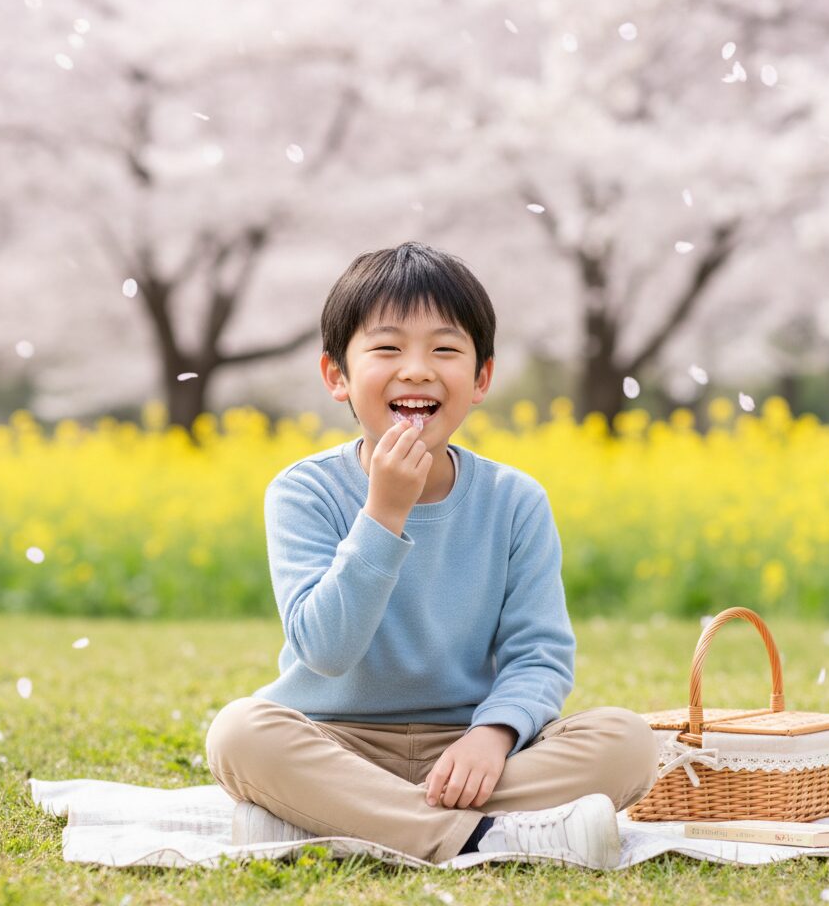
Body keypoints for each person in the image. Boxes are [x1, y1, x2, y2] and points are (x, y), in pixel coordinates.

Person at [205, 241, 659, 868]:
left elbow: (539, 655)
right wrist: (384, 513)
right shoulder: (303, 491)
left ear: (481, 380)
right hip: (336, 743)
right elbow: (325, 650)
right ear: (336, 376)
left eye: (444, 350)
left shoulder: (514, 500)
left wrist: (492, 736)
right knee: (239, 733)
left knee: (629, 741)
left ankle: (342, 823)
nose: (416, 370)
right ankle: (483, 838)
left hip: (470, 754)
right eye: (387, 348)